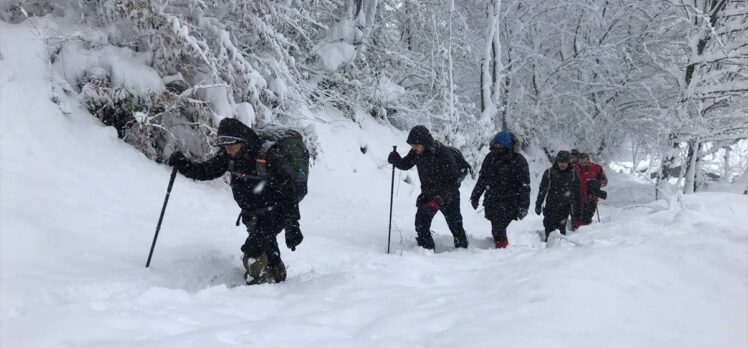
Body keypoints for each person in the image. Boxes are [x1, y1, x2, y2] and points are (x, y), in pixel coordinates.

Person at [167, 118, 303, 285]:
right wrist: (183, 164)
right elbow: (206, 171)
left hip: (276, 211)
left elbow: (288, 193)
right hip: (252, 212)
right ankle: (277, 273)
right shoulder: (229, 156)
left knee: (252, 248)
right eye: (225, 146)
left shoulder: (268, 156)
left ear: (243, 141)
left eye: (232, 146)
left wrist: (292, 226)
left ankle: (256, 284)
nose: (228, 150)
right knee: (266, 245)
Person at [388, 125, 469, 250]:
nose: (413, 148)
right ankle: (426, 251)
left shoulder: (443, 154)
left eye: (416, 145)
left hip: (449, 197)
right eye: (412, 145)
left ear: (424, 143)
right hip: (428, 194)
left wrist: (439, 199)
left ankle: (463, 251)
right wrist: (396, 160)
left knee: (455, 225)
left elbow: (454, 182)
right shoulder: (417, 152)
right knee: (421, 224)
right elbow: (407, 163)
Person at [470, 131, 530, 248]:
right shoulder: (490, 158)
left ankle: (502, 251)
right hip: (492, 199)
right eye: (496, 145)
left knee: (499, 227)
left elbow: (524, 186)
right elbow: (483, 179)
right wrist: (475, 196)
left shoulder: (519, 160)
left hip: (511, 200)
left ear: (508, 146)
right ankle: (501, 249)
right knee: (496, 227)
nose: (498, 148)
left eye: (501, 146)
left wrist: (524, 206)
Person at [535, 151, 582, 241]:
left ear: (569, 162)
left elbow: (577, 193)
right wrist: (538, 205)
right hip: (551, 205)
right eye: (560, 162)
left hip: (565, 206)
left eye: (565, 162)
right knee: (549, 228)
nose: (562, 164)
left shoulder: (573, 174)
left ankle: (560, 251)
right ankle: (547, 249)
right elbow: (542, 191)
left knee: (561, 230)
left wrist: (578, 209)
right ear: (557, 161)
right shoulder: (549, 172)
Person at [573, 153, 608, 228]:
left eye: (585, 162)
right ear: (578, 161)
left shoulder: (596, 168)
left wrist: (598, 182)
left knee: (587, 219)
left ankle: (585, 235)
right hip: (577, 198)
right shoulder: (574, 169)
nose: (583, 165)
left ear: (589, 160)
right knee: (576, 219)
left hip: (591, 198)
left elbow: (605, 181)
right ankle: (575, 233)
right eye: (581, 163)